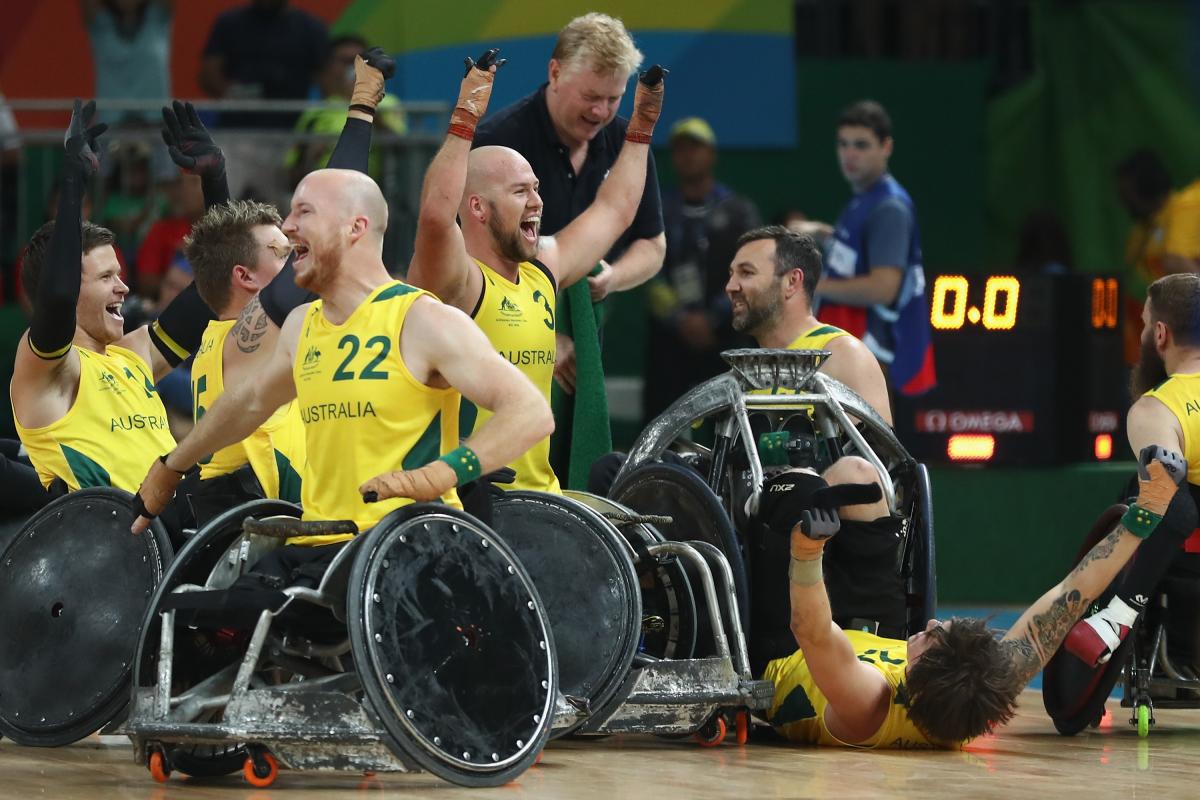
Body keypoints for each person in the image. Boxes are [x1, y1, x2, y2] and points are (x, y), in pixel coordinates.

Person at [129, 166, 554, 556]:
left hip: (404, 548)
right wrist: (174, 465)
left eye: (304, 212)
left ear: (355, 227)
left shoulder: (422, 318)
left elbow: (531, 412)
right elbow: (250, 403)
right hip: (322, 543)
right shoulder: (301, 324)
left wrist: (441, 474)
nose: (290, 225)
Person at [757, 443, 1196, 747]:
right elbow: (1071, 596)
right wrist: (1146, 515)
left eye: (933, 636)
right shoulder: (974, 695)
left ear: (919, 686)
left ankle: (756, 504)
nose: (930, 623)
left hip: (787, 646)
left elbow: (811, 631)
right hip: (867, 635)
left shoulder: (868, 705)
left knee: (800, 488)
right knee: (858, 476)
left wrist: (808, 550)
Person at [406, 50, 664, 494]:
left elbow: (615, 210)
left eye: (537, 189)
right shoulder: (456, 282)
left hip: (541, 498)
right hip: (465, 503)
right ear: (477, 207)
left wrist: (640, 128)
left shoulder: (542, 269)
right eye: (521, 191)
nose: (537, 202)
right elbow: (434, 216)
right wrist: (466, 115)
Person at [473, 13, 666, 489]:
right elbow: (466, 257)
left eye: (613, 99)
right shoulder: (499, 142)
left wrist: (611, 278)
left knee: (580, 474)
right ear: (555, 73)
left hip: (585, 343)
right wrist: (542, 338)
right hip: (499, 340)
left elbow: (644, 237)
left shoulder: (624, 144)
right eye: (590, 96)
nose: (601, 111)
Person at [9, 101, 215, 505]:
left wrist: (213, 181)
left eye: (119, 273)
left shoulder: (133, 355)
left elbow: (211, 287)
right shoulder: (50, 372)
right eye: (106, 277)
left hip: (174, 541)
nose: (123, 287)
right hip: (106, 550)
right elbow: (56, 298)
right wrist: (73, 182)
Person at [724, 225, 906, 655]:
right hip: (748, 531)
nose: (731, 286)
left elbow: (883, 473)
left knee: (811, 483)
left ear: (792, 282)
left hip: (819, 535)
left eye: (746, 273)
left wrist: (804, 479)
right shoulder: (740, 372)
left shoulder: (842, 355)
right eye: (731, 274)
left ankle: (865, 637)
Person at [1063, 273, 1200, 667]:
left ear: (1160, 334)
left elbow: (1170, 503)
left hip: (1184, 551)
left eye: (1142, 324)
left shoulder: (1156, 408)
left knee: (1158, 492)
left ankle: (1116, 618)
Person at [804, 100, 936, 399]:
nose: (849, 154)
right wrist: (823, 233)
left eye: (861, 145)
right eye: (843, 144)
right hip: (860, 356)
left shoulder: (889, 207)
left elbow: (883, 288)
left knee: (871, 447)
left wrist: (812, 286)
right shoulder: (863, 200)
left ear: (886, 147)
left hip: (880, 360)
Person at [643, 116, 760, 422]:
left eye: (696, 147)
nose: (688, 155)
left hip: (726, 336)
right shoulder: (659, 208)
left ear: (712, 154)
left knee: (734, 424)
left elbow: (754, 268)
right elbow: (648, 269)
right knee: (661, 421)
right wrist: (681, 320)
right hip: (670, 341)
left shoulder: (738, 211)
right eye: (681, 148)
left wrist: (714, 318)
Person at [284, 35, 406, 187]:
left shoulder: (387, 102)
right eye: (345, 62)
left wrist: (367, 101)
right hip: (323, 193)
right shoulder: (316, 112)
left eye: (360, 61)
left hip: (373, 192)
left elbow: (402, 150)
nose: (353, 68)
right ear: (330, 66)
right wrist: (311, 157)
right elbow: (291, 175)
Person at [1116, 149, 1200, 363]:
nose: (1123, 200)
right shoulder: (1139, 233)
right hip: (1141, 351)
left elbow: (1175, 261)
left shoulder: (1183, 211)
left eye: (1126, 193)